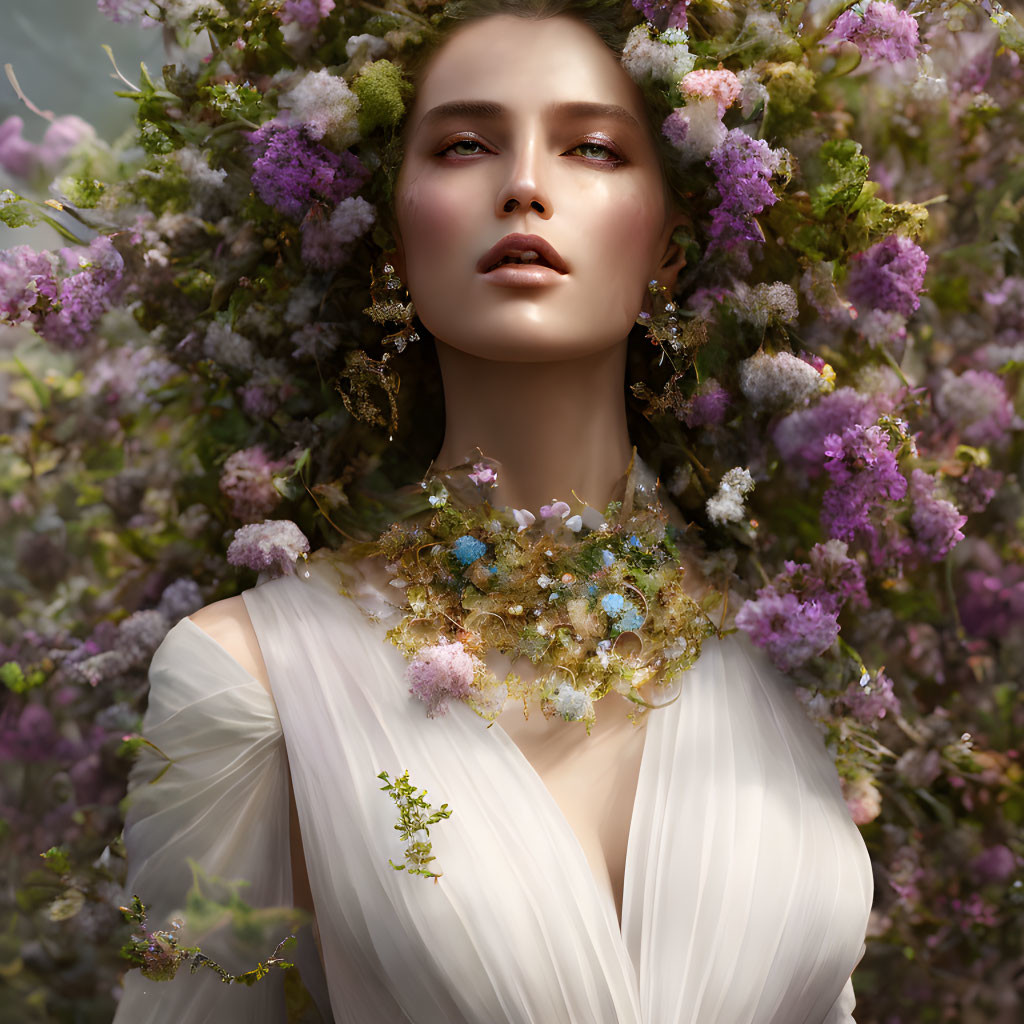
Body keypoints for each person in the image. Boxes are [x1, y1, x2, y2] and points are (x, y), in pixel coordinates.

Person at [113, 3, 873, 1021]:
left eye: (592, 148)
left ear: (673, 253)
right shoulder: (254, 683)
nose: (524, 183)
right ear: (389, 236)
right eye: (465, 144)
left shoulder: (784, 662)